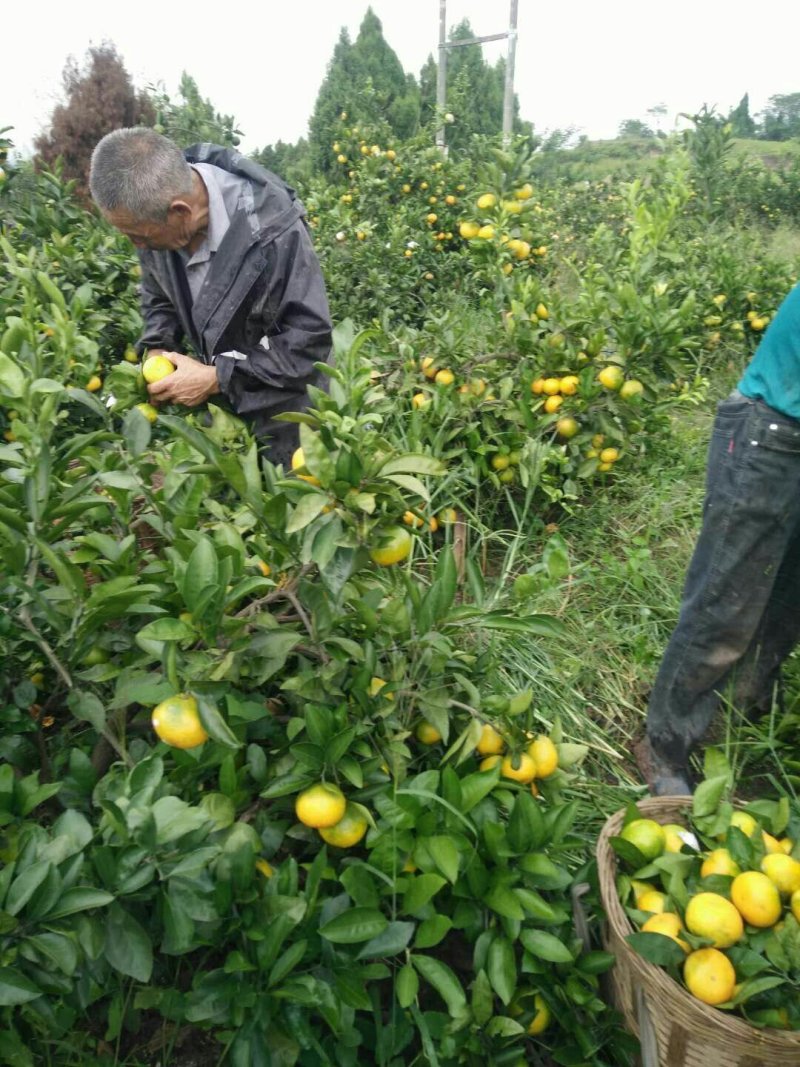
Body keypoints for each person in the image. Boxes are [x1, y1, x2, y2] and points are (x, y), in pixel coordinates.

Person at [88, 127, 332, 466]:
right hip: (228, 420)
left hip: (292, 416)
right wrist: (159, 343)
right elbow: (159, 295)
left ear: (181, 213)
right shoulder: (154, 216)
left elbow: (307, 347)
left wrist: (218, 377)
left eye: (139, 237)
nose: (137, 247)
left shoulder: (273, 231)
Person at [645, 281, 800, 796]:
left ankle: (747, 714)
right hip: (770, 436)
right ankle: (663, 746)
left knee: (788, 599)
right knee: (726, 602)